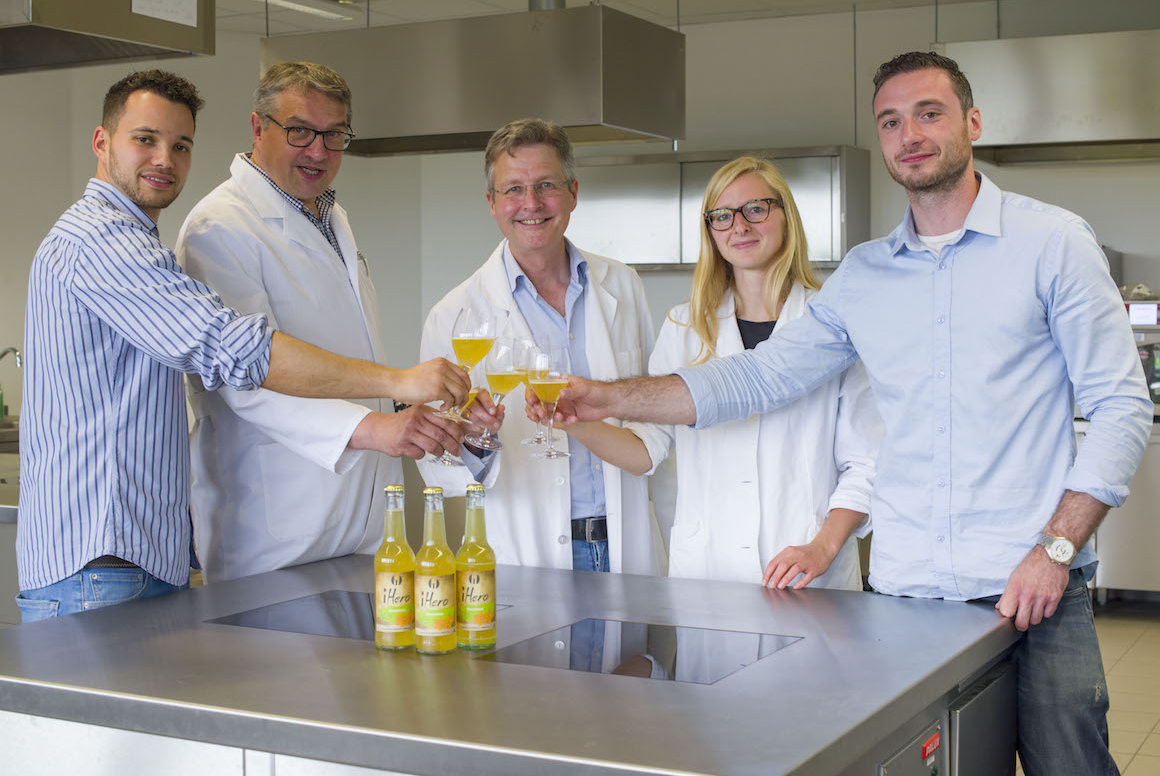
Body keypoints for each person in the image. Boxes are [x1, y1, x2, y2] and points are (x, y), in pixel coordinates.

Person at [557, 52, 1151, 776]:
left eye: (929, 113)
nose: (910, 134)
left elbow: (1122, 406)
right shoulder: (865, 275)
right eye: (891, 121)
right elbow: (758, 377)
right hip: (907, 599)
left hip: (1032, 585)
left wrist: (1056, 548)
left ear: (972, 122)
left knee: (1071, 768)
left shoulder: (1051, 243)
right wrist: (606, 396)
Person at [16, 70, 470, 622]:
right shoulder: (112, 240)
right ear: (102, 142)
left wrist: (398, 410)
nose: (164, 159)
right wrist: (393, 391)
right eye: (145, 140)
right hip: (108, 559)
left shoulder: (325, 220)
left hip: (144, 556)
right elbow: (236, 358)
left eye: (180, 145)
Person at [174, 62, 491, 583]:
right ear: (258, 128)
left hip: (360, 516)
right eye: (299, 131)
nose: (319, 151)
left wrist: (417, 410)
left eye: (335, 135)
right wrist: (379, 428)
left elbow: (349, 352)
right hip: (278, 524)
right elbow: (246, 381)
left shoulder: (329, 216)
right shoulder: (219, 228)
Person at [531, 155, 881, 590]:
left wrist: (823, 547)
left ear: (786, 216)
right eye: (722, 216)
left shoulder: (832, 324)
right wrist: (576, 420)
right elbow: (644, 451)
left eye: (756, 208)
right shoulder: (684, 327)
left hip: (809, 572)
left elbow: (865, 463)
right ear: (710, 231)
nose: (740, 226)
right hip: (710, 573)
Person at [417, 118, 666, 577]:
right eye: (513, 189)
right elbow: (438, 467)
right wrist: (477, 437)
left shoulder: (623, 287)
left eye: (545, 185)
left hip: (625, 542)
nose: (530, 204)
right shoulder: (454, 316)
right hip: (526, 550)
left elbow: (654, 412)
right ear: (491, 204)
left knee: (633, 653)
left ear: (573, 193)